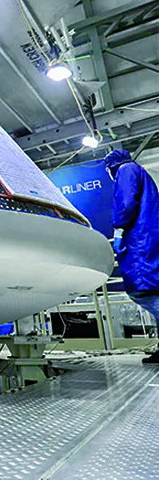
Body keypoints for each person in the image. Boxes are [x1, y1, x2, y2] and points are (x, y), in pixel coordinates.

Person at [104, 149, 159, 364]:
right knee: (151, 291)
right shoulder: (143, 174)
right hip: (148, 238)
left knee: (143, 291)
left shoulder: (126, 170)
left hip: (140, 241)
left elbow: (126, 203)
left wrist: (118, 230)